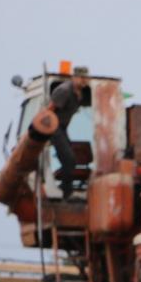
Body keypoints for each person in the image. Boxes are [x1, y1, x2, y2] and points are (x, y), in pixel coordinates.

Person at [47, 66, 90, 202]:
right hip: (55, 127)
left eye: (85, 78)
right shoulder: (64, 91)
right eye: (81, 77)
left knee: (70, 160)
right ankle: (66, 193)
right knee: (69, 159)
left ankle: (66, 189)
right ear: (74, 77)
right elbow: (49, 110)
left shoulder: (80, 94)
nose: (83, 81)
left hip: (63, 128)